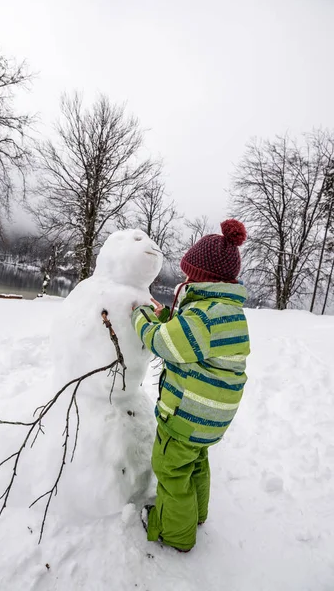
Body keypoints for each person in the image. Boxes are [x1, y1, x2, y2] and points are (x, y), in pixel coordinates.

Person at [131, 219, 250, 552]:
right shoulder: (227, 312)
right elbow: (193, 340)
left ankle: (175, 534)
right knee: (195, 461)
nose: (184, 279)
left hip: (187, 416)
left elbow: (164, 342)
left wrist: (140, 316)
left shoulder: (202, 316)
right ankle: (196, 514)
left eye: (188, 274)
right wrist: (168, 314)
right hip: (212, 418)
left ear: (201, 278)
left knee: (170, 470)